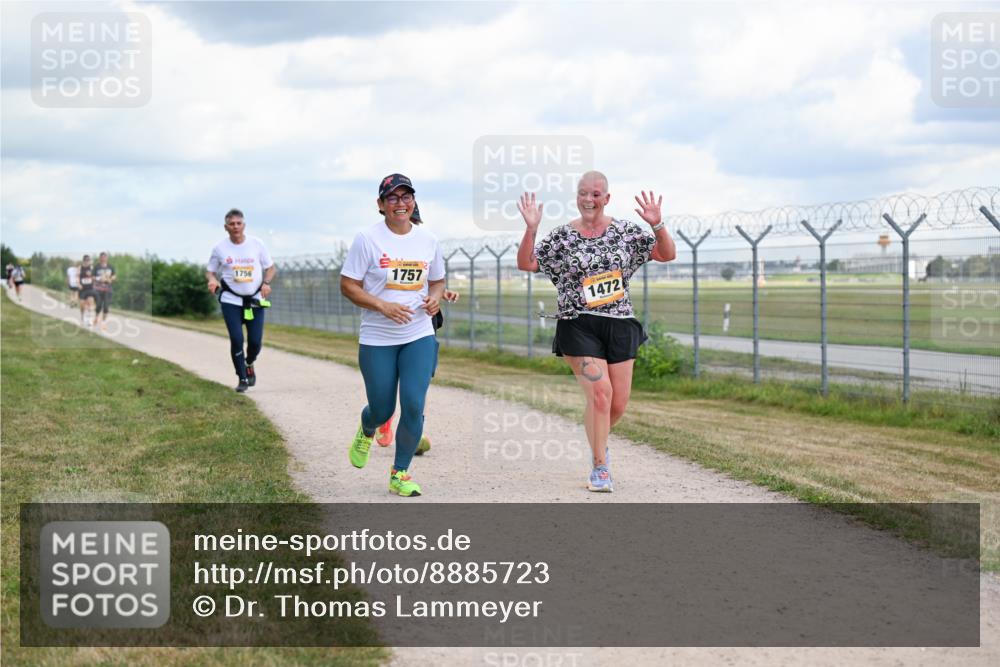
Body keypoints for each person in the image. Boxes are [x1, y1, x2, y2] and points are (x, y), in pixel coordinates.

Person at [516, 170, 676, 492]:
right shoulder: (562, 237)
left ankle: (597, 439)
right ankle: (600, 467)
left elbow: (665, 254)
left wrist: (657, 224)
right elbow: (527, 263)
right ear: (577, 197)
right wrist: (531, 229)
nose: (589, 200)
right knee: (601, 394)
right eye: (583, 193)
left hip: (619, 323)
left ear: (606, 198)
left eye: (595, 194)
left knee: (616, 405)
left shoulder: (626, 232)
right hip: (577, 323)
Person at [340, 173, 445, 497]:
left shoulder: (428, 240)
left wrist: (435, 298)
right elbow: (348, 286)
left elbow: (438, 280)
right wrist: (381, 306)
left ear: (413, 201)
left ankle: (399, 473)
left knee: (413, 404)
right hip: (377, 338)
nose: (400, 203)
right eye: (393, 198)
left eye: (406, 197)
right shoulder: (367, 239)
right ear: (381, 205)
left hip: (418, 333)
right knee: (383, 409)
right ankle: (368, 427)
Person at [376, 288, 460, 454]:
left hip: (425, 321)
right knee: (394, 375)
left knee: (419, 381)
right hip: (398, 320)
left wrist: (441, 293)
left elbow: (429, 279)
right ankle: (382, 414)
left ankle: (414, 432)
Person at [206, 208, 276, 393]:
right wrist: (212, 280)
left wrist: (266, 283)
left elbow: (270, 268)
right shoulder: (220, 248)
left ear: (244, 225)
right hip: (231, 300)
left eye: (239, 223)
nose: (235, 227)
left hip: (254, 300)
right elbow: (210, 270)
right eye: (232, 224)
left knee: (255, 343)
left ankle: (249, 362)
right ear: (225, 227)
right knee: (237, 339)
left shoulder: (256, 244)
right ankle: (242, 378)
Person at [92, 252, 117, 331]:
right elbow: (92, 277)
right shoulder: (97, 267)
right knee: (98, 305)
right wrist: (99, 279)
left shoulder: (110, 266)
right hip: (98, 289)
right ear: (100, 258)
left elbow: (114, 276)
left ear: (107, 258)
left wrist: (111, 279)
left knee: (106, 306)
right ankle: (96, 317)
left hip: (108, 289)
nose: (103, 259)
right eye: (102, 257)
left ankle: (103, 323)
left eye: (105, 257)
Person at [78, 255, 96, 326]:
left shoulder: (92, 268)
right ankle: (82, 316)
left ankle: (90, 320)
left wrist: (95, 284)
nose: (87, 261)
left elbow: (94, 277)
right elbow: (77, 277)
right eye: (86, 260)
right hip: (82, 289)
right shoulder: (80, 268)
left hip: (90, 288)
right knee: (82, 305)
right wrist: (78, 284)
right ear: (83, 260)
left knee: (90, 303)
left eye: (88, 260)